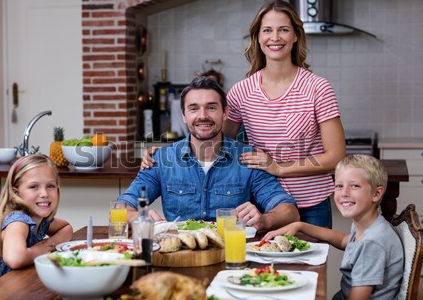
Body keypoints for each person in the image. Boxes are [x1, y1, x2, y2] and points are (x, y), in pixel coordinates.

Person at [142, 1, 345, 229]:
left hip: (311, 205)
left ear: (296, 36)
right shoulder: (242, 91)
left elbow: (336, 156)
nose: (274, 37)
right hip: (260, 205)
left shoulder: (318, 88)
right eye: (267, 30)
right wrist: (166, 154)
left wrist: (278, 167)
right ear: (257, 37)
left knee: (310, 264)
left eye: (283, 30)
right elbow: (215, 142)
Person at [119, 76, 299, 231]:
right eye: (194, 108)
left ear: (225, 113)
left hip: (231, 255)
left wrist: (265, 219)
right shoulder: (161, 160)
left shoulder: (249, 159)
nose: (203, 116)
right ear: (184, 115)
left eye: (211, 107)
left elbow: (289, 212)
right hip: (179, 255)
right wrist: (140, 219)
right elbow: (120, 209)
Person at [263, 155, 404, 300]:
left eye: (354, 186)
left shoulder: (372, 243)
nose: (344, 193)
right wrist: (300, 226)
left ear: (377, 193)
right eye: (339, 186)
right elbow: (344, 240)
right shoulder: (368, 226)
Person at [0, 154, 73, 290]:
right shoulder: (17, 221)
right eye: (33, 187)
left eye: (50, 186)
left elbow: (67, 228)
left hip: (19, 287)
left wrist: (48, 244)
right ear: (17, 192)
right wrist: (38, 250)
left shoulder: (41, 220)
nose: (44, 193)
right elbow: (15, 258)